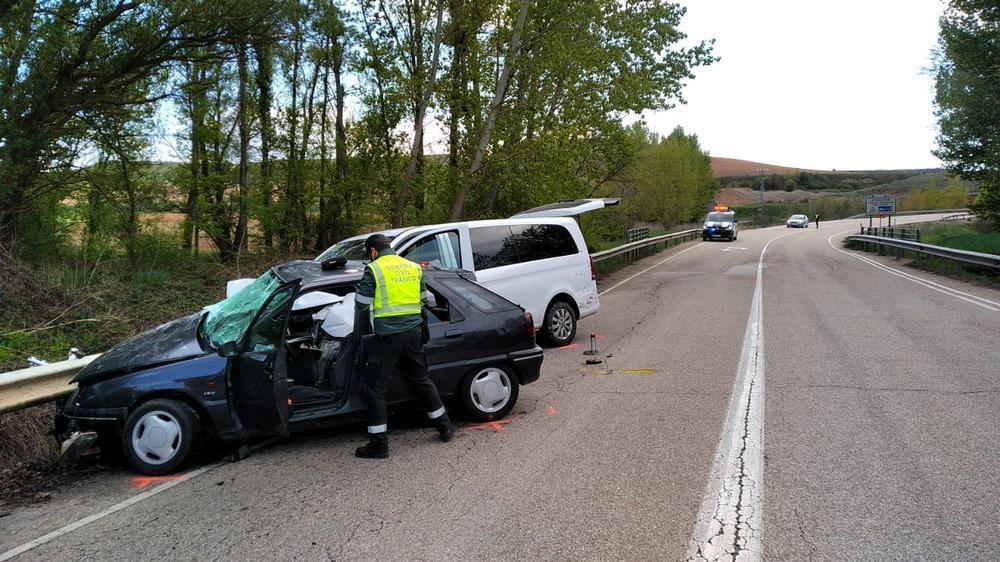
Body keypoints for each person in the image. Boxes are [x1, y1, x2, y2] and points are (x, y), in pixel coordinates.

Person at [353, 234, 453, 459]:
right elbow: (425, 300)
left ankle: (379, 445)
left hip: (388, 336)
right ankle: (445, 427)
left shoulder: (374, 269)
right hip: (414, 333)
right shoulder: (413, 267)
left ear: (372, 252)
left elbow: (361, 305)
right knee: (421, 379)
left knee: (375, 387)